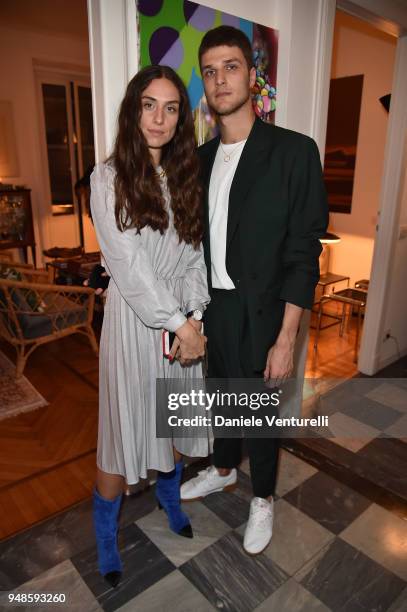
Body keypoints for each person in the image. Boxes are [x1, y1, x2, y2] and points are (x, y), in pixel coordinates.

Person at [179, 26, 328, 556]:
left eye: (231, 67)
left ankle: (262, 496)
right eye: (211, 70)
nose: (221, 79)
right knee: (221, 396)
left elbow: (303, 251)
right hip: (213, 307)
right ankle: (223, 469)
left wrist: (287, 337)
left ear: (251, 74)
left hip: (264, 309)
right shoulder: (195, 161)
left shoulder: (293, 152)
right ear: (205, 82)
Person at [90, 65, 210, 588]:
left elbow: (193, 257)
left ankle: (168, 499)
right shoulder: (108, 179)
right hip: (135, 323)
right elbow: (131, 269)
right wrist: (181, 325)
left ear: (181, 118)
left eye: (170, 107)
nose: (159, 118)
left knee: (174, 422)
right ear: (133, 109)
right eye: (148, 104)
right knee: (120, 433)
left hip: (180, 322)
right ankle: (104, 534)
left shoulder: (185, 178)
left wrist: (195, 318)